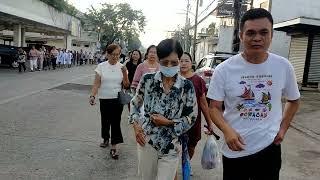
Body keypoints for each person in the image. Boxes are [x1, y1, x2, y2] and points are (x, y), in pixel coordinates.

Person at [207, 8, 300, 180]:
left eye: (264, 32)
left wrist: (283, 129)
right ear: (241, 36)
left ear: (271, 35)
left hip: (269, 148)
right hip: (235, 149)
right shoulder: (223, 70)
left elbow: (293, 100)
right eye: (251, 33)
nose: (257, 38)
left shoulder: (283, 66)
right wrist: (227, 131)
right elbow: (214, 108)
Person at [129, 39, 198, 180]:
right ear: (159, 61)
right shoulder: (147, 80)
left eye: (174, 62)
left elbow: (192, 117)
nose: (169, 66)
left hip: (171, 145)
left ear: (179, 61)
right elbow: (135, 104)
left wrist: (168, 123)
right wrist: (136, 126)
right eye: (165, 62)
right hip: (147, 141)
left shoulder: (187, 86)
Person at [89, 44, 130, 160]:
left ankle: (114, 147)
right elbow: (97, 83)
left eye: (118, 54)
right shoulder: (101, 66)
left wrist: (125, 74)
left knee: (116, 122)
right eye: (113, 54)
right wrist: (93, 95)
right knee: (105, 120)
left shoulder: (122, 67)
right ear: (107, 54)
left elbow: (126, 85)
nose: (115, 57)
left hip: (117, 99)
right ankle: (106, 138)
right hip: (104, 98)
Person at [179, 52, 215, 175]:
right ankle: (173, 166)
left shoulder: (198, 80)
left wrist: (209, 122)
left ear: (192, 63)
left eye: (186, 61)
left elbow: (204, 103)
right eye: (181, 61)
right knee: (174, 145)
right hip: (175, 119)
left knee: (191, 145)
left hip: (194, 120)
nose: (183, 63)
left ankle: (186, 163)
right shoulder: (173, 78)